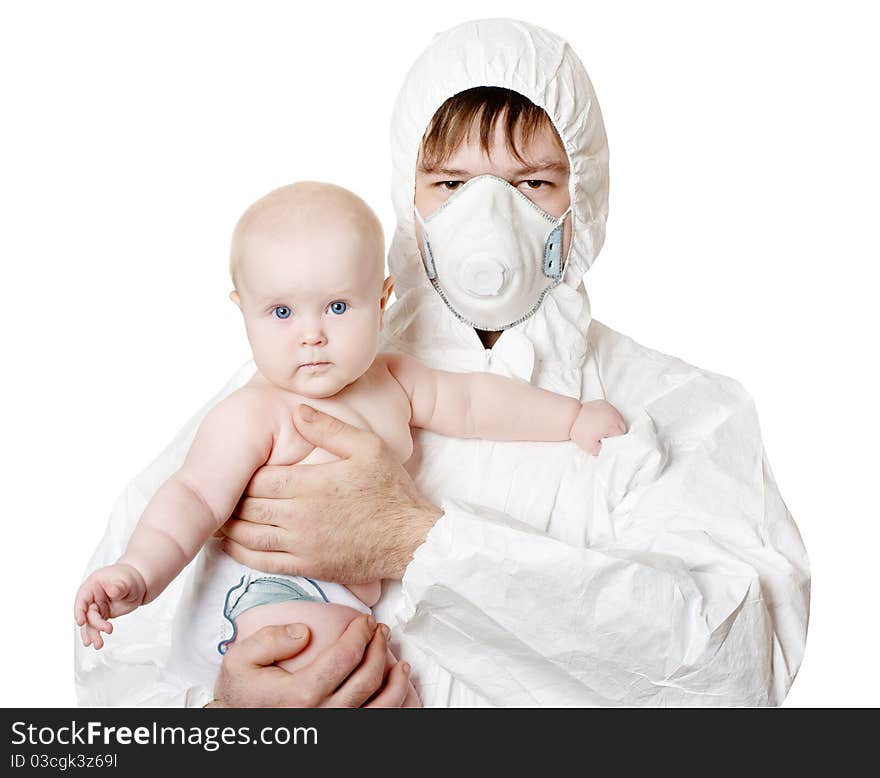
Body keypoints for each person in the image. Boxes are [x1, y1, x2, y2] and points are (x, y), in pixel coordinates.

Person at [75, 18, 810, 707]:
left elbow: (736, 671)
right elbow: (117, 659)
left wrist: (417, 540)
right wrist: (230, 720)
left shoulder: (676, 410)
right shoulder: (282, 386)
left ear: (582, 195)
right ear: (410, 195)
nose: (487, 219)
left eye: (531, 185)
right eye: (452, 186)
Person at [73, 181, 625, 706]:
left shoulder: (394, 382)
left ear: (381, 298)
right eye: (282, 312)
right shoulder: (255, 411)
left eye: (338, 307)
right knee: (343, 666)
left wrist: (571, 417)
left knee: (382, 684)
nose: (311, 334)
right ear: (241, 308)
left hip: (333, 602)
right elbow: (192, 498)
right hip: (266, 597)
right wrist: (139, 573)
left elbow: (475, 405)